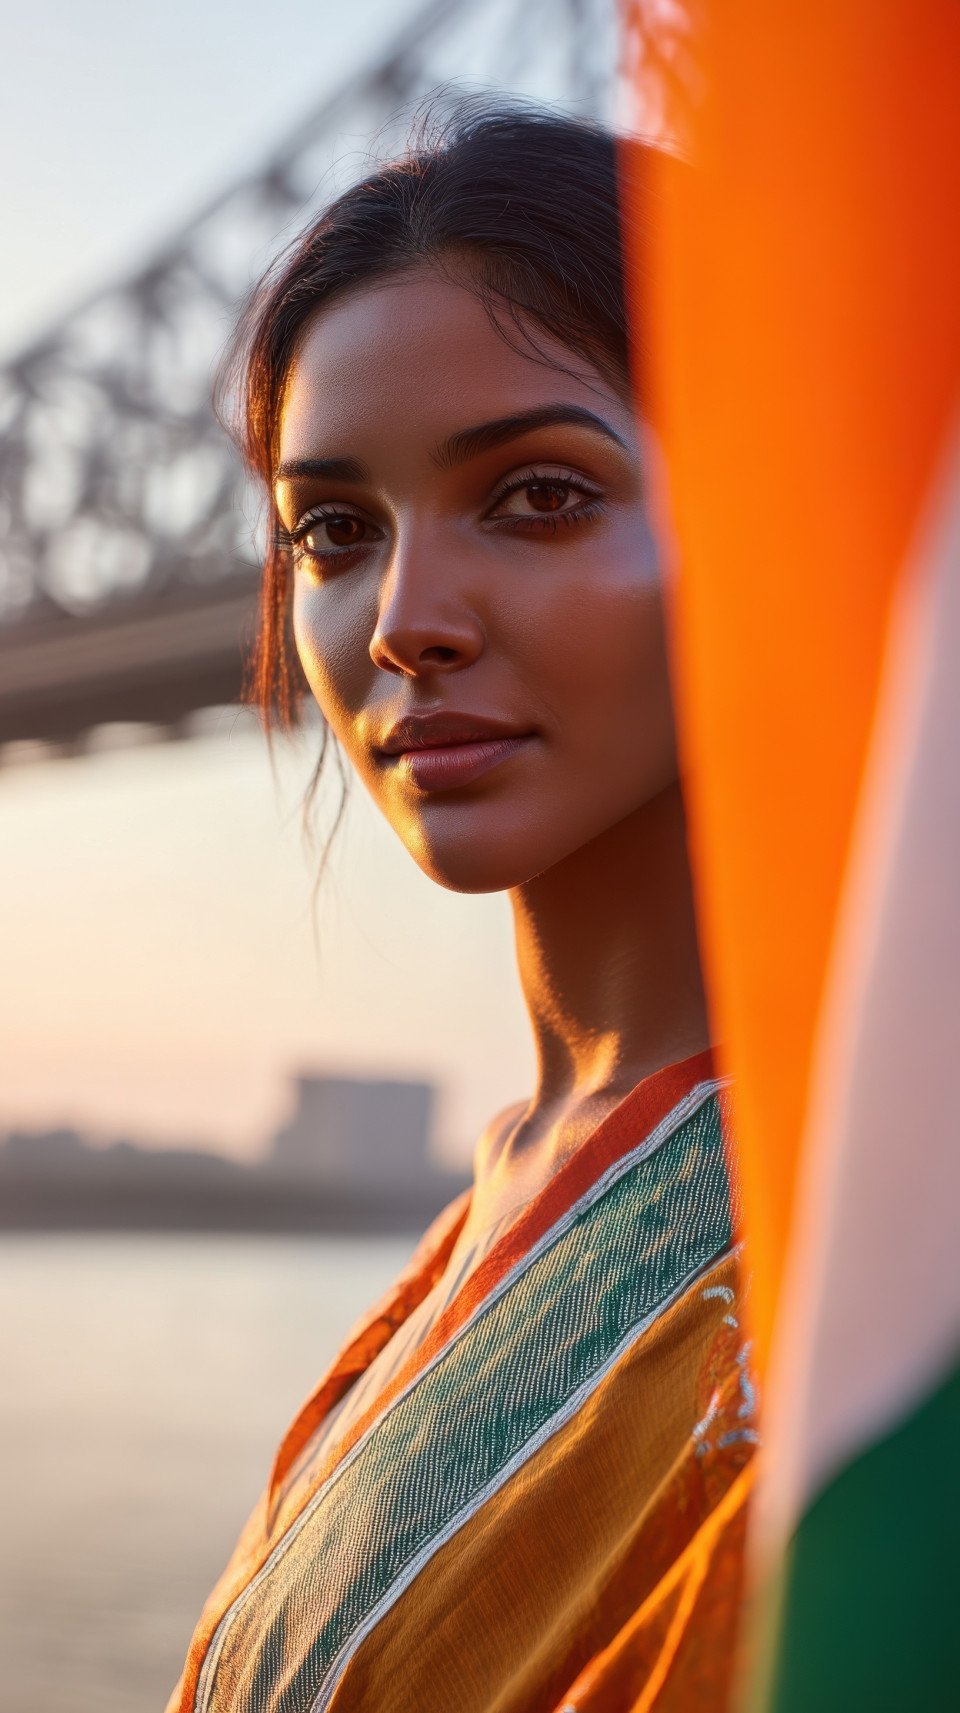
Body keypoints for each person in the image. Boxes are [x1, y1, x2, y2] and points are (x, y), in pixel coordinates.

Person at [168, 103, 757, 1713]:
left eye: (543, 494)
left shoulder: (873, 1228)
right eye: (335, 531)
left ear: (780, 517)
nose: (405, 622)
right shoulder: (510, 1191)